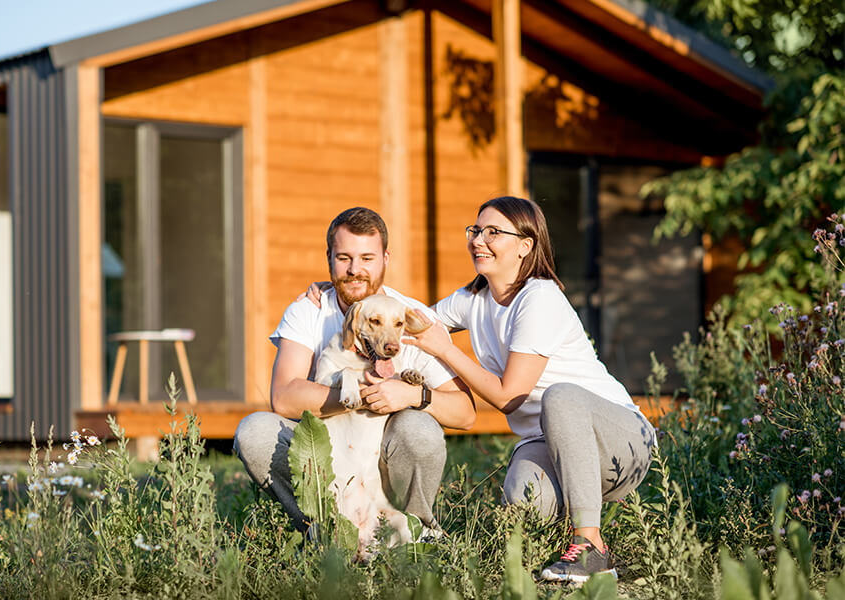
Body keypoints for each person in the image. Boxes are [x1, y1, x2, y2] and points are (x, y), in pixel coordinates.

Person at [402, 196, 656, 582]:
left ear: (526, 245)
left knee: (561, 396)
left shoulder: (540, 298)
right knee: (522, 507)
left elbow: (509, 396)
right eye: (476, 231)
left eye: (493, 232)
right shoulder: (474, 300)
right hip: (549, 444)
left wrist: (444, 349)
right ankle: (571, 524)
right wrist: (344, 291)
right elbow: (412, 319)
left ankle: (591, 545)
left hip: (621, 440)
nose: (478, 240)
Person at [233, 207, 475, 538]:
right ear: (329, 258)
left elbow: (465, 413)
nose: (355, 270)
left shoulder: (409, 317)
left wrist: (411, 395)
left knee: (419, 425)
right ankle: (324, 529)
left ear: (385, 259)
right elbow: (283, 397)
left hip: (383, 459)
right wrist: (360, 396)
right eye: (344, 257)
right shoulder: (309, 310)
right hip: (329, 455)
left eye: (366, 258)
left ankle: (417, 532)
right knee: (254, 431)